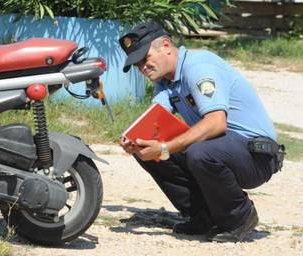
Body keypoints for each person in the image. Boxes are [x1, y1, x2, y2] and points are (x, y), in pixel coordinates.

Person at [118, 21, 284, 242]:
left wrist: (166, 147)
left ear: (166, 45)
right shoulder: (165, 81)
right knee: (147, 148)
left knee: (198, 152)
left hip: (257, 156)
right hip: (224, 147)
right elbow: (154, 118)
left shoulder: (198, 67)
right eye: (137, 64)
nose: (142, 67)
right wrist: (134, 141)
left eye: (145, 59)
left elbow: (216, 123)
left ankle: (240, 217)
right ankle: (202, 216)